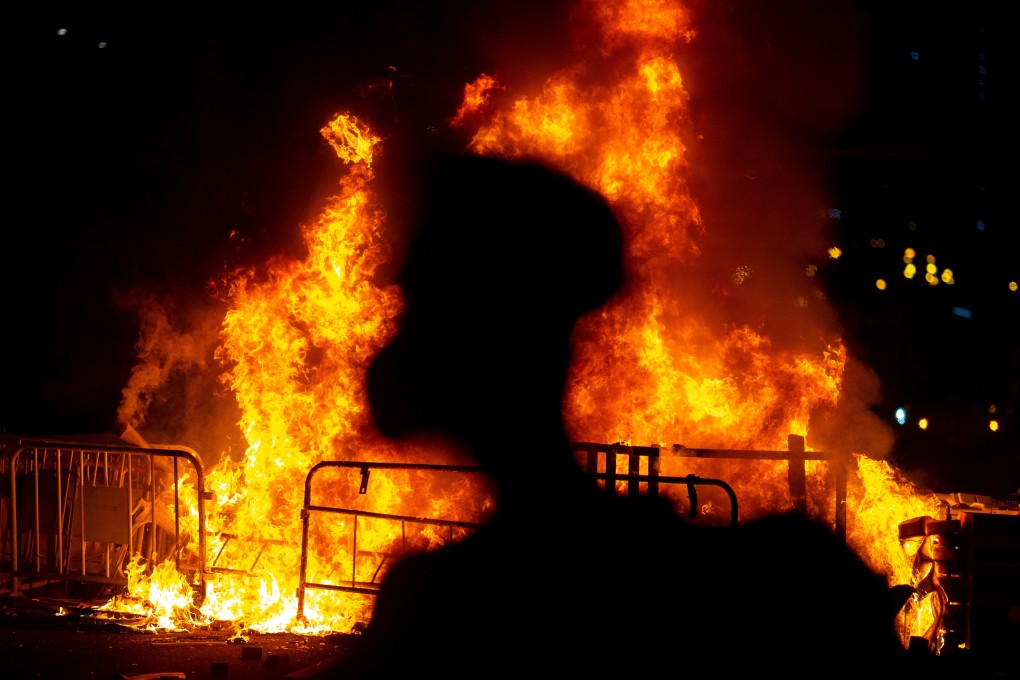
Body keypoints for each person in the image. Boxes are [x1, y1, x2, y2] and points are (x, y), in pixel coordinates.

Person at [330, 152, 919, 678]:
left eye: (415, 304)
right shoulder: (791, 579)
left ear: (476, 339)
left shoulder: (446, 608)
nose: (392, 337)